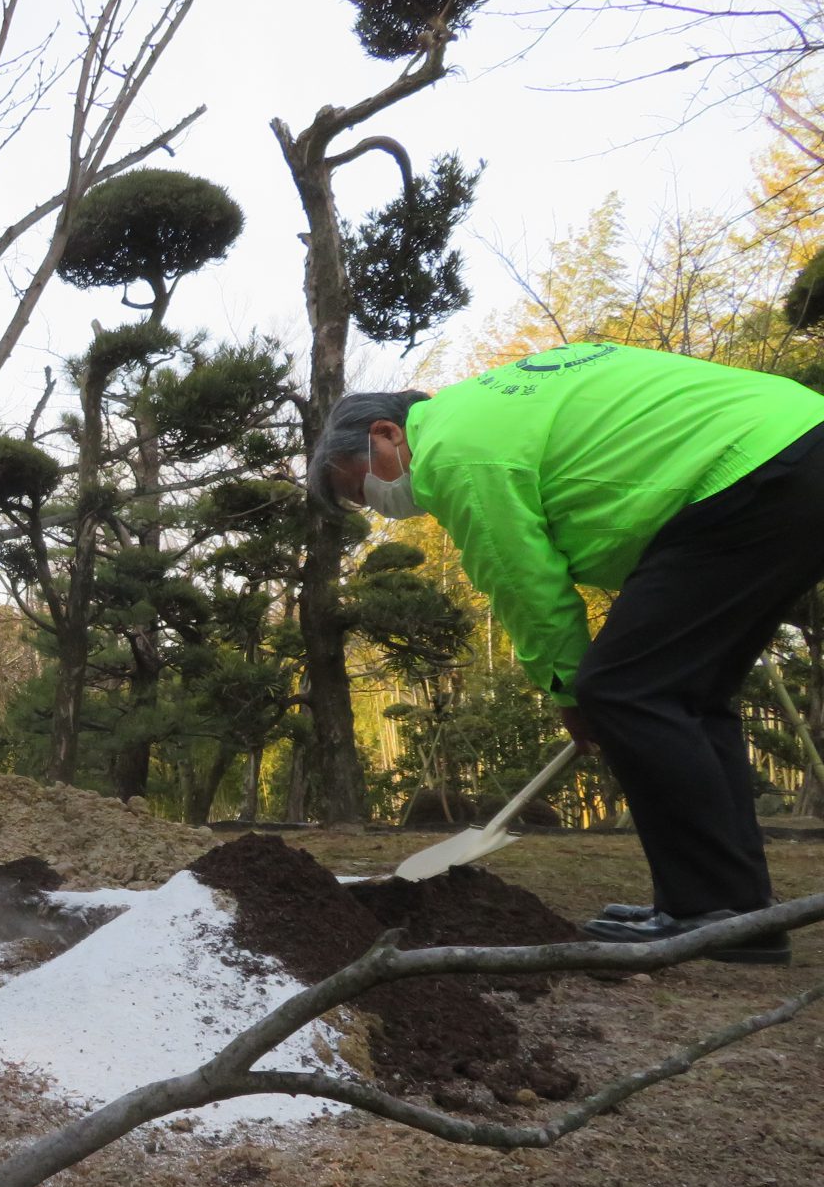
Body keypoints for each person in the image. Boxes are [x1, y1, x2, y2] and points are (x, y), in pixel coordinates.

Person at [308, 341, 824, 965]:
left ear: (387, 432)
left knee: (625, 689)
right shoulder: (490, 404)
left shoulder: (454, 452)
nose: (379, 504)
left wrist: (573, 692)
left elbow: (525, 582)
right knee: (687, 696)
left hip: (752, 470)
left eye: (363, 487)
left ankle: (709, 909)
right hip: (794, 446)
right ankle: (737, 915)